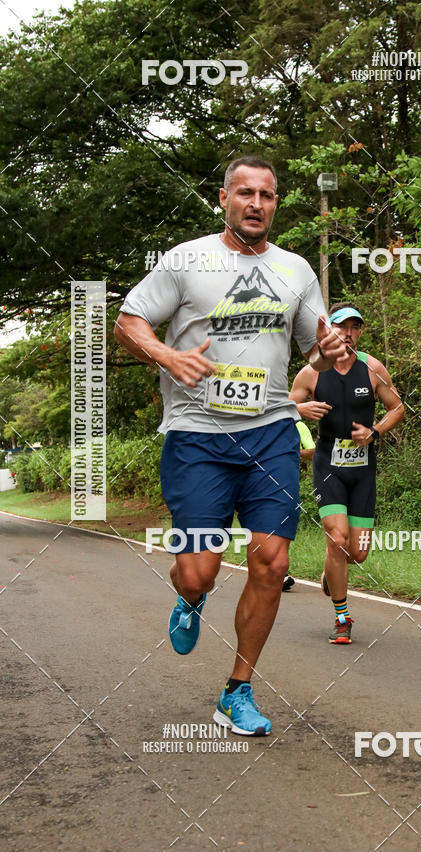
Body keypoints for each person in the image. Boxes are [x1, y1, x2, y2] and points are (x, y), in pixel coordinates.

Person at [114, 156, 345, 735]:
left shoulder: (295, 271)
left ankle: (236, 691)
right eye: (245, 193)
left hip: (268, 433)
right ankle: (189, 598)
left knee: (272, 561)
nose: (256, 204)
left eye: (267, 195)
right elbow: (129, 320)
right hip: (197, 437)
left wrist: (331, 347)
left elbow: (312, 347)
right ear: (223, 199)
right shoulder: (187, 260)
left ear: (275, 203)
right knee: (198, 572)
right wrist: (167, 355)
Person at [289, 303, 405, 643]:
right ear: (328, 331)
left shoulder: (372, 368)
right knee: (336, 540)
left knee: (358, 552)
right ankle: (342, 617)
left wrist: (375, 432)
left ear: (360, 332)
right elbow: (281, 406)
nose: (348, 333)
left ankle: (331, 573)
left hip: (363, 468)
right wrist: (300, 408)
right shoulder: (311, 372)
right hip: (328, 464)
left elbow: (397, 406)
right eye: (342, 327)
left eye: (355, 327)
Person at [281, 420, 315, 592]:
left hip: (288, 481)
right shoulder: (265, 421)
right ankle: (279, 572)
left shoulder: (298, 425)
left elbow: (313, 451)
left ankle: (280, 572)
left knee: (283, 525)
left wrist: (293, 452)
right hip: (260, 480)